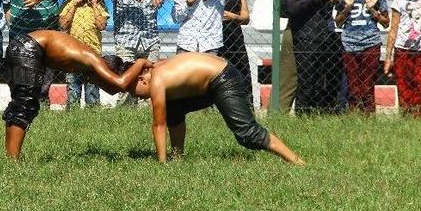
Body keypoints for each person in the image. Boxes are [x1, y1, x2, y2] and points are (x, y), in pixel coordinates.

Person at [129, 52, 304, 165]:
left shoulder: (157, 80)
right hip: (210, 82)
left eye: (133, 92)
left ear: (142, 80)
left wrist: (161, 163)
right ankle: (177, 158)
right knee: (173, 108)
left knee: (247, 134)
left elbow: (158, 125)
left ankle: (297, 162)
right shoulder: (157, 66)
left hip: (224, 79)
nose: (136, 97)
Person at [2, 30, 151, 158]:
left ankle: (11, 157)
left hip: (23, 46)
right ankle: (12, 159)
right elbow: (120, 83)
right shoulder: (94, 59)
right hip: (29, 48)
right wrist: (140, 62)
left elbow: (113, 90)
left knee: (22, 104)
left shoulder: (88, 62)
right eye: (102, 81)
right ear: (105, 71)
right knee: (25, 105)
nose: (93, 82)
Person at [281, 0, 343, 113]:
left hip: (319, 38)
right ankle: (301, 116)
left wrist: (331, 0)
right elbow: (290, 8)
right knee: (304, 82)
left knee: (315, 83)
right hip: (303, 38)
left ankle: (310, 116)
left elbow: (322, 14)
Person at [334, 0, 388, 114]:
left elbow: (386, 22)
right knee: (353, 87)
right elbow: (338, 21)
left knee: (367, 86)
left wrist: (372, 9)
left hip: (371, 43)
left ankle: (368, 117)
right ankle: (353, 117)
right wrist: (347, 7)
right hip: (349, 43)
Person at [59, 0, 108, 108]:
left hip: (93, 53)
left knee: (92, 89)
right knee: (73, 89)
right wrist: (74, 4)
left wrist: (94, 5)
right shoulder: (68, 2)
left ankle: (92, 112)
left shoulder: (99, 3)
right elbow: (63, 24)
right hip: (72, 54)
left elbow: (101, 25)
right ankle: (73, 113)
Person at [213, 0, 252, 85]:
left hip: (233, 36)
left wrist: (232, 16)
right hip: (212, 35)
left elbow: (245, 18)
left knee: (241, 74)